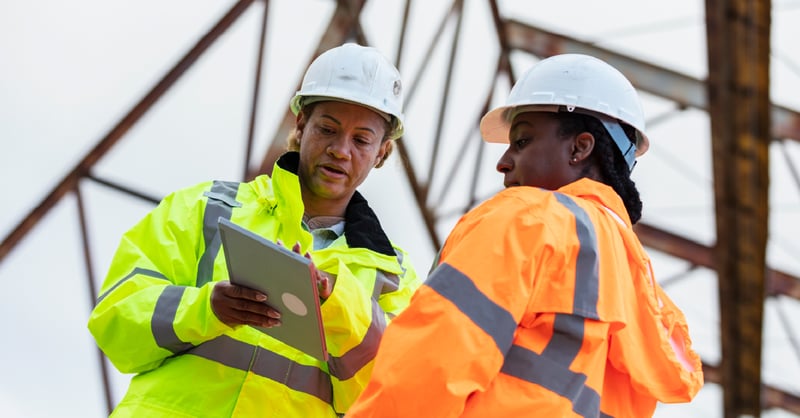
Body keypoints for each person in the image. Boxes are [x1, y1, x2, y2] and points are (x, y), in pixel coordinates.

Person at [346, 54, 704, 418]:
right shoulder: (638, 287)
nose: (503, 161)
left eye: (522, 141)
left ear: (580, 148)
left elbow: (430, 365)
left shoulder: (527, 220)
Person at [87, 42, 421, 418]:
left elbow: (396, 397)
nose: (341, 150)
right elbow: (116, 319)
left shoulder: (393, 279)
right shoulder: (209, 209)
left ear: (381, 152)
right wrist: (206, 308)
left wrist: (337, 305)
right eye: (327, 129)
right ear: (301, 125)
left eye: (361, 140)